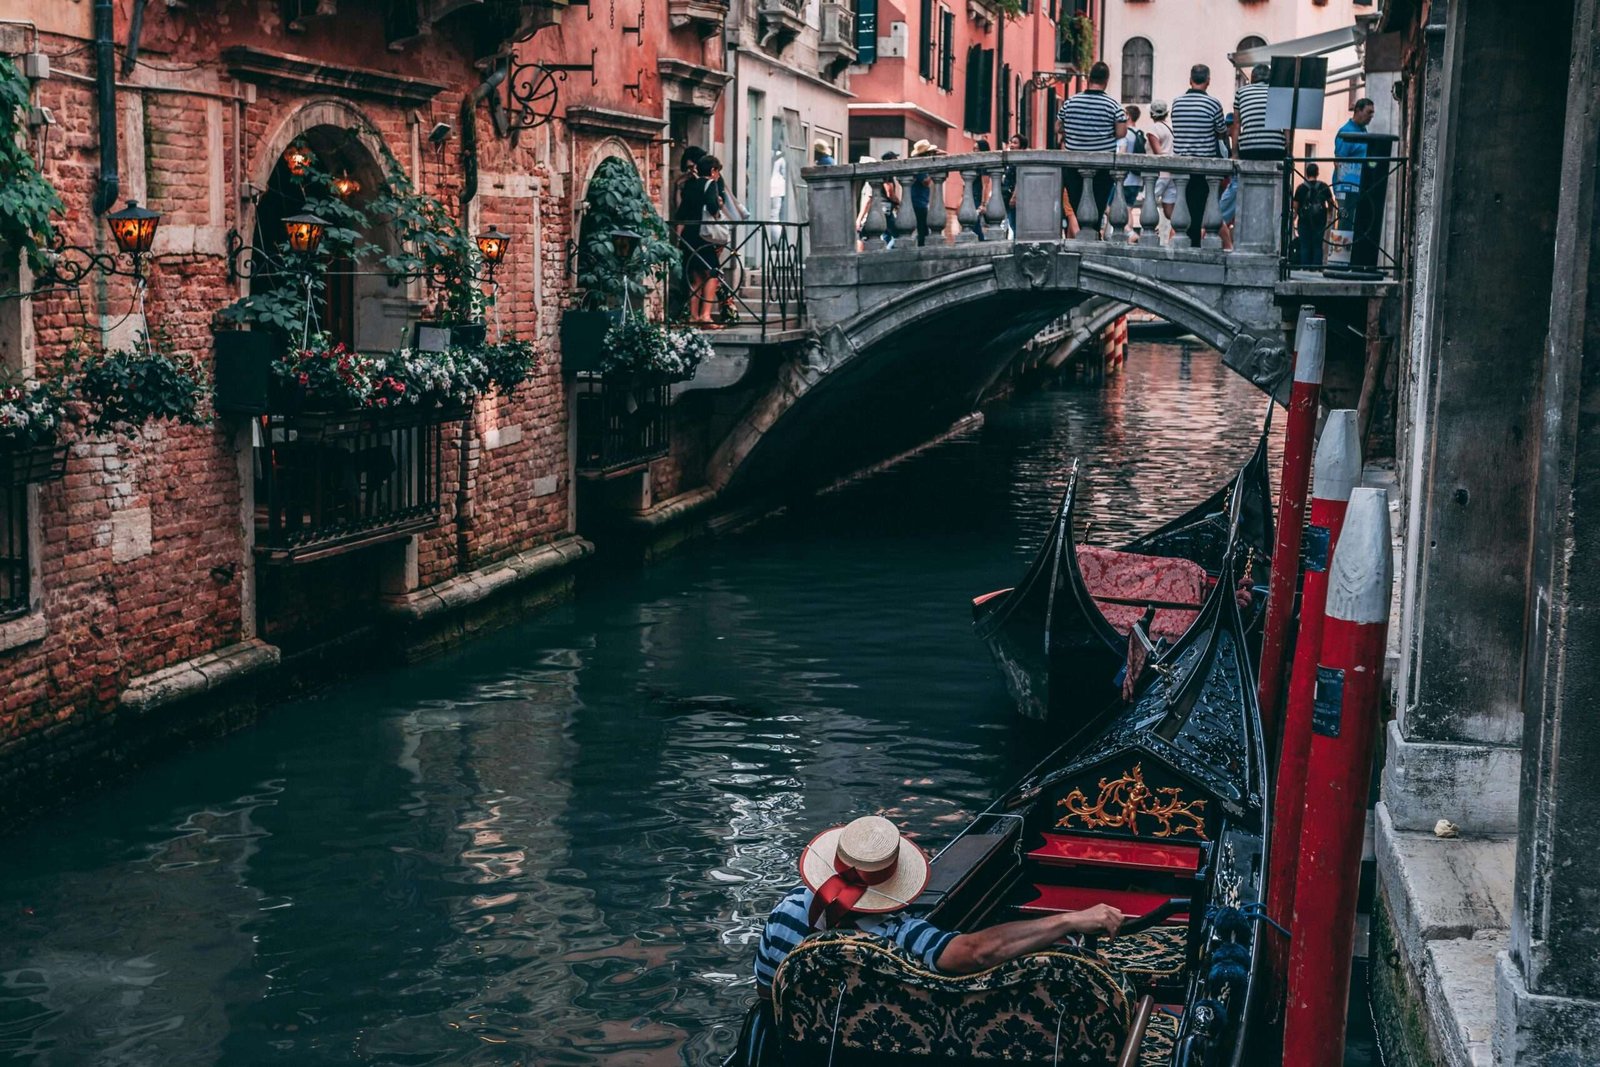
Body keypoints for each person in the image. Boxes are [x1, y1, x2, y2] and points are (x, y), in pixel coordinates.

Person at [739, 816, 1125, 1066]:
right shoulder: (899, 934)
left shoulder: (785, 916)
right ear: (893, 883)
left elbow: (769, 996)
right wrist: (1070, 919)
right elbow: (973, 953)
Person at [1056, 60, 1127, 236]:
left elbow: (1058, 127)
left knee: (1078, 203)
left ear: (1088, 78)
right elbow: (1121, 132)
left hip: (1073, 164)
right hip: (1102, 164)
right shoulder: (1113, 105)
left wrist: (1075, 132)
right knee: (1098, 204)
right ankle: (1093, 236)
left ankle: (1085, 238)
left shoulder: (1070, 102)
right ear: (1106, 80)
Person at [1168, 63, 1227, 246]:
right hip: (1203, 165)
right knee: (1200, 207)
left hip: (1181, 165)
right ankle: (1194, 244)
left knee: (1184, 204)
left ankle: (1186, 243)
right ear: (1208, 81)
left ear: (1190, 80)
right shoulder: (1213, 104)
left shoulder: (1177, 103)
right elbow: (1221, 131)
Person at [675, 154, 725, 325]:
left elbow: (681, 213)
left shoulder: (690, 185)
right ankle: (705, 316)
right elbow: (712, 207)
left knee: (696, 276)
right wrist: (719, 206)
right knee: (713, 272)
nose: (717, 176)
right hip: (703, 235)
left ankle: (692, 316)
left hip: (689, 234)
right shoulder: (711, 184)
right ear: (713, 171)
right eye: (717, 172)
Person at [1334, 97, 1376, 235]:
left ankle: (1352, 254)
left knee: (1358, 221)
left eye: (1372, 113)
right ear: (1358, 110)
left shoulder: (1363, 131)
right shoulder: (1346, 132)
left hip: (1360, 184)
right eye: (1369, 112)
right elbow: (1339, 160)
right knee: (1346, 221)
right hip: (1347, 184)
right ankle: (1341, 254)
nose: (1371, 116)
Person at [1232, 62, 1285, 161]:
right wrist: (1289, 152)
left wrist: (1234, 154)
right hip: (1275, 148)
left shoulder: (1241, 92)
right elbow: (1286, 126)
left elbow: (1237, 125)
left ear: (1252, 78)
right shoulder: (1279, 92)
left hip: (1248, 148)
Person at [1293, 162, 1336, 267]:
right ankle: (1317, 268)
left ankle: (1305, 268)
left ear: (1306, 173)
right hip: (1320, 220)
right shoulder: (1323, 186)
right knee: (1317, 245)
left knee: (1305, 245)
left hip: (1304, 220)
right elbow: (1331, 202)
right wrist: (1329, 212)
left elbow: (1295, 205)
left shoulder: (1300, 188)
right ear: (1317, 173)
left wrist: (1296, 215)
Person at [1147, 99, 1176, 239]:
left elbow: (1158, 153)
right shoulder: (1171, 127)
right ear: (1167, 113)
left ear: (1151, 114)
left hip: (1159, 174)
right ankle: (1177, 234)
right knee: (1169, 210)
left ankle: (1151, 232)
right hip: (1172, 173)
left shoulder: (1153, 129)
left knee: (1149, 201)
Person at [908, 139, 942, 246]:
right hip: (918, 202)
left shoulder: (920, 165)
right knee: (922, 229)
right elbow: (926, 182)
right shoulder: (919, 167)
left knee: (922, 229)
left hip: (920, 201)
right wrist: (934, 170)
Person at [1002, 133, 1027, 238]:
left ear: (1021, 147)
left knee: (1016, 224)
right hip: (1007, 196)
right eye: (1011, 142)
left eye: (1015, 143)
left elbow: (1020, 179)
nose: (1011, 145)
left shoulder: (1020, 161)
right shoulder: (1011, 161)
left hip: (1015, 197)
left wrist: (1014, 197)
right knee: (1012, 224)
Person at [880, 150, 902, 248]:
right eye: (895, 158)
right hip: (886, 207)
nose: (897, 161)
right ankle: (887, 253)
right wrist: (898, 202)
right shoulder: (887, 173)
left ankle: (884, 255)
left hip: (882, 207)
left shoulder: (884, 172)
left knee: (886, 235)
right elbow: (889, 192)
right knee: (898, 235)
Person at [971, 139, 992, 239]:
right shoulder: (976, 164)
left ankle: (981, 241)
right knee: (973, 222)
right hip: (971, 195)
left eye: (977, 149)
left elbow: (985, 185)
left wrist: (983, 204)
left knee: (974, 222)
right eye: (974, 149)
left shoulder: (984, 166)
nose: (975, 151)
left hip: (977, 196)